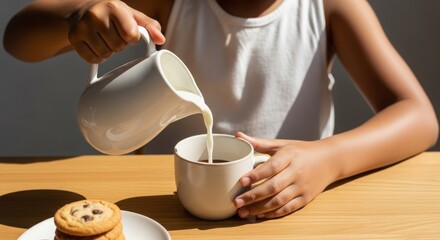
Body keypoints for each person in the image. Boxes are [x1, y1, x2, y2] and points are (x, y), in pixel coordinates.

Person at [4, 0, 438, 219]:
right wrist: (76, 19)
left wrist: (329, 158)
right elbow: (17, 38)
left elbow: (418, 116)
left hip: (284, 212)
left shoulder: (329, 7)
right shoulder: (172, 3)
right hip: (166, 213)